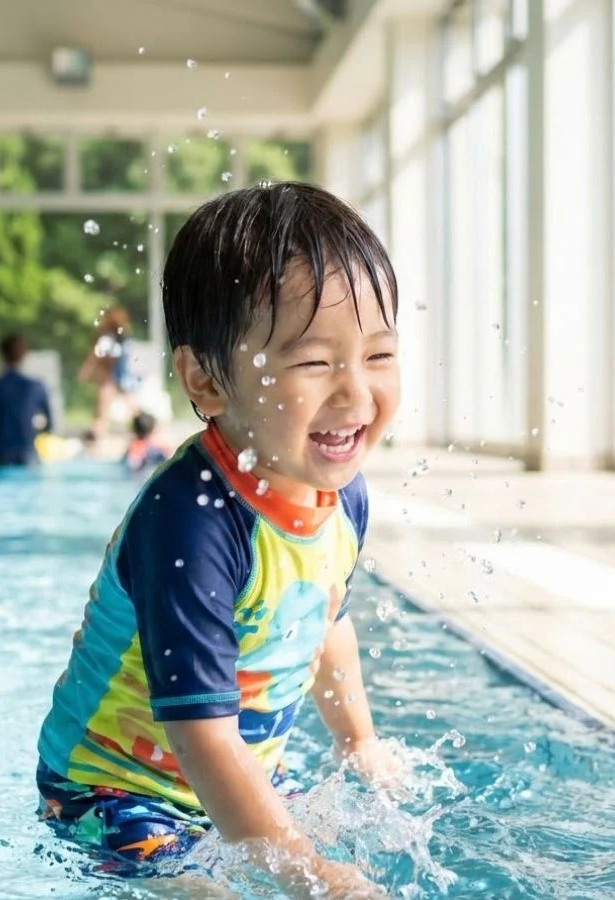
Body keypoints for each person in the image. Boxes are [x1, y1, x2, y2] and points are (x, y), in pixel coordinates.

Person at [35, 183, 401, 898]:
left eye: (379, 355)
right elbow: (201, 733)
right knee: (208, 892)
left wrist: (359, 743)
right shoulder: (191, 521)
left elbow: (328, 621)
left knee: (353, 831)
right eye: (313, 362)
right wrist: (309, 874)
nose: (355, 393)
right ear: (206, 380)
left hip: (238, 767)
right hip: (110, 789)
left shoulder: (342, 493)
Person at [0, 333, 53, 467]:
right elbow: (49, 426)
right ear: (24, 355)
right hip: (27, 456)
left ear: (2, 354)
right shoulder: (37, 387)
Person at [77, 306, 140, 443]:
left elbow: (95, 357)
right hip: (123, 377)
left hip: (109, 378)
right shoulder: (124, 337)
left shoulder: (107, 338)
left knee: (101, 411)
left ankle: (97, 438)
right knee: (132, 408)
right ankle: (144, 431)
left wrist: (85, 373)